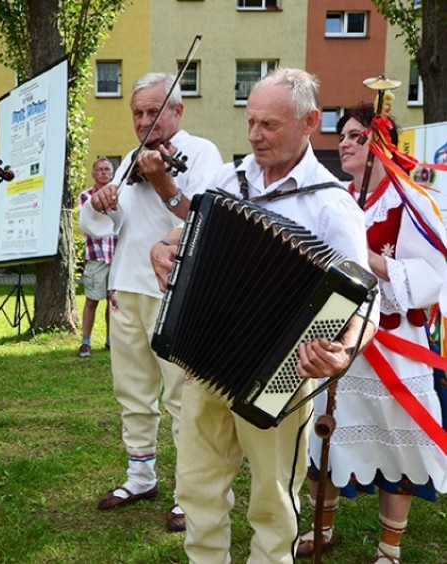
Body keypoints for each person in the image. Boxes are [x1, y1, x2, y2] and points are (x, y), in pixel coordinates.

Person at [149, 68, 378, 563]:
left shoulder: (333, 206)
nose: (255, 135)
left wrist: (342, 352)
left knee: (275, 502)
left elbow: (365, 300)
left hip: (283, 376)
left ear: (309, 122)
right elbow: (184, 239)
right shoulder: (227, 180)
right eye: (251, 121)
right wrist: (162, 251)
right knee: (197, 488)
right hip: (204, 361)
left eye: (269, 125)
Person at [297, 103, 447, 563]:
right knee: (327, 432)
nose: (343, 142)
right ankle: (322, 531)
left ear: (379, 143)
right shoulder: (338, 198)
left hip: (395, 344)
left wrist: (367, 256)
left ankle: (389, 549)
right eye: (342, 135)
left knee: (394, 442)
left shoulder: (411, 202)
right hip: (340, 339)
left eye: (356, 135)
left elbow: (433, 275)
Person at [79, 72, 223, 531]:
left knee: (183, 396)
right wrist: (100, 203)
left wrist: (162, 181)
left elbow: (200, 216)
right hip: (127, 286)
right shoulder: (127, 159)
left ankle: (188, 489)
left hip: (174, 290)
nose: (144, 121)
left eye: (153, 111)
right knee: (132, 391)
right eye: (137, 113)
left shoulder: (202, 153)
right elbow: (103, 223)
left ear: (178, 111)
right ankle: (140, 475)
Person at [77, 157, 117, 357]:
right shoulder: (86, 197)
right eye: (99, 170)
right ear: (93, 174)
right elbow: (98, 221)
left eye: (107, 169)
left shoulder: (120, 195)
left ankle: (111, 340)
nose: (103, 173)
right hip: (96, 256)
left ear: (112, 173)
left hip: (117, 256)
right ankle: (86, 342)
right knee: (92, 300)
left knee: (114, 302)